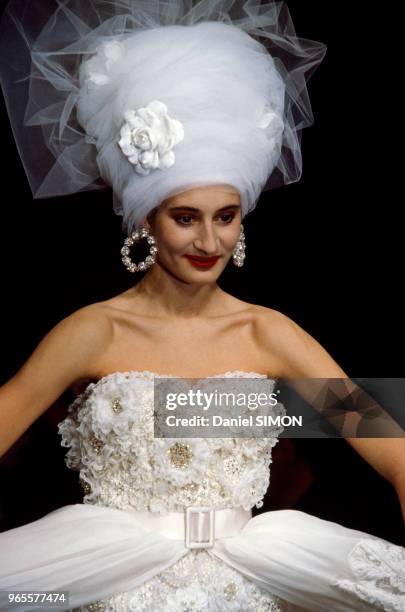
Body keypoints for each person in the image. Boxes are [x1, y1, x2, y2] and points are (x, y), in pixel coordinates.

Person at [0, 1, 404, 610]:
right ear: (146, 220)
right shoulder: (94, 332)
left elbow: (395, 452)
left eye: (226, 216)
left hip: (250, 577)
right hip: (104, 581)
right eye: (185, 218)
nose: (209, 242)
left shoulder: (268, 334)